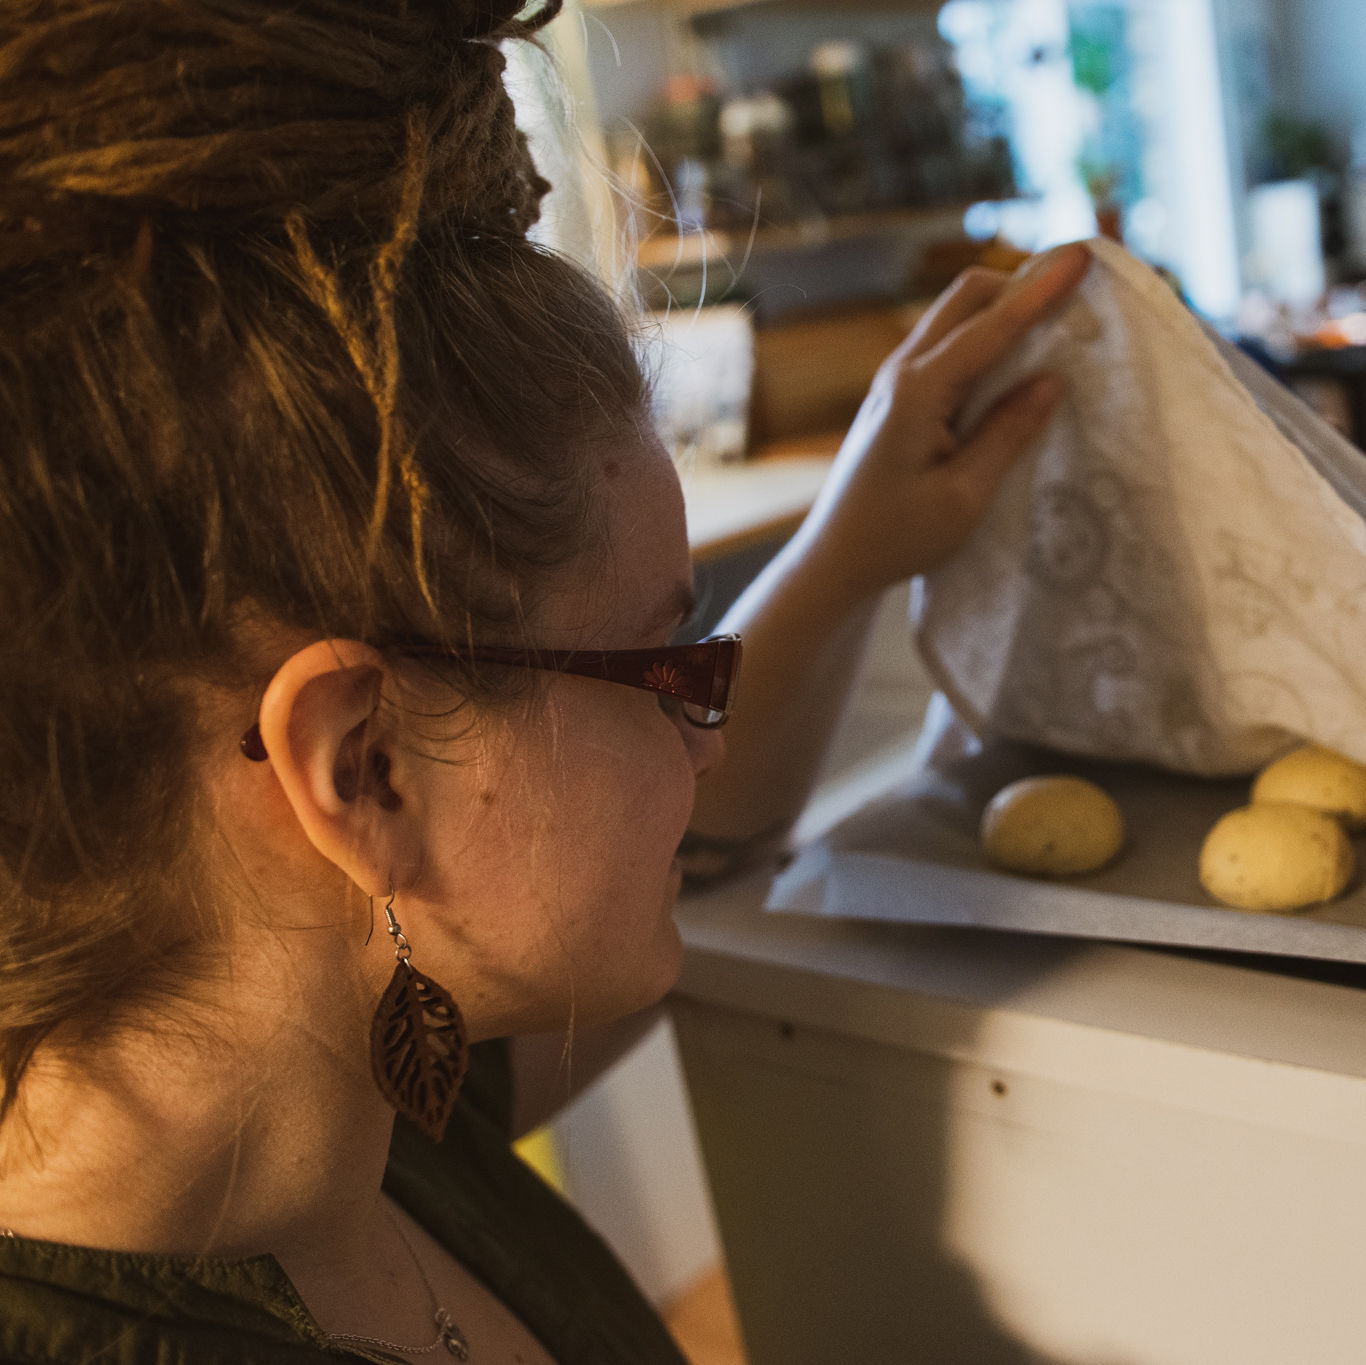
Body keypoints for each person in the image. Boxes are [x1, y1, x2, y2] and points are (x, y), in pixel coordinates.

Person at [0, 1, 1088, 1359]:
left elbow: (667, 838)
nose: (704, 740)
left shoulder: (324, 1110)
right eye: (660, 662)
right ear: (368, 769)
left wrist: (855, 550)